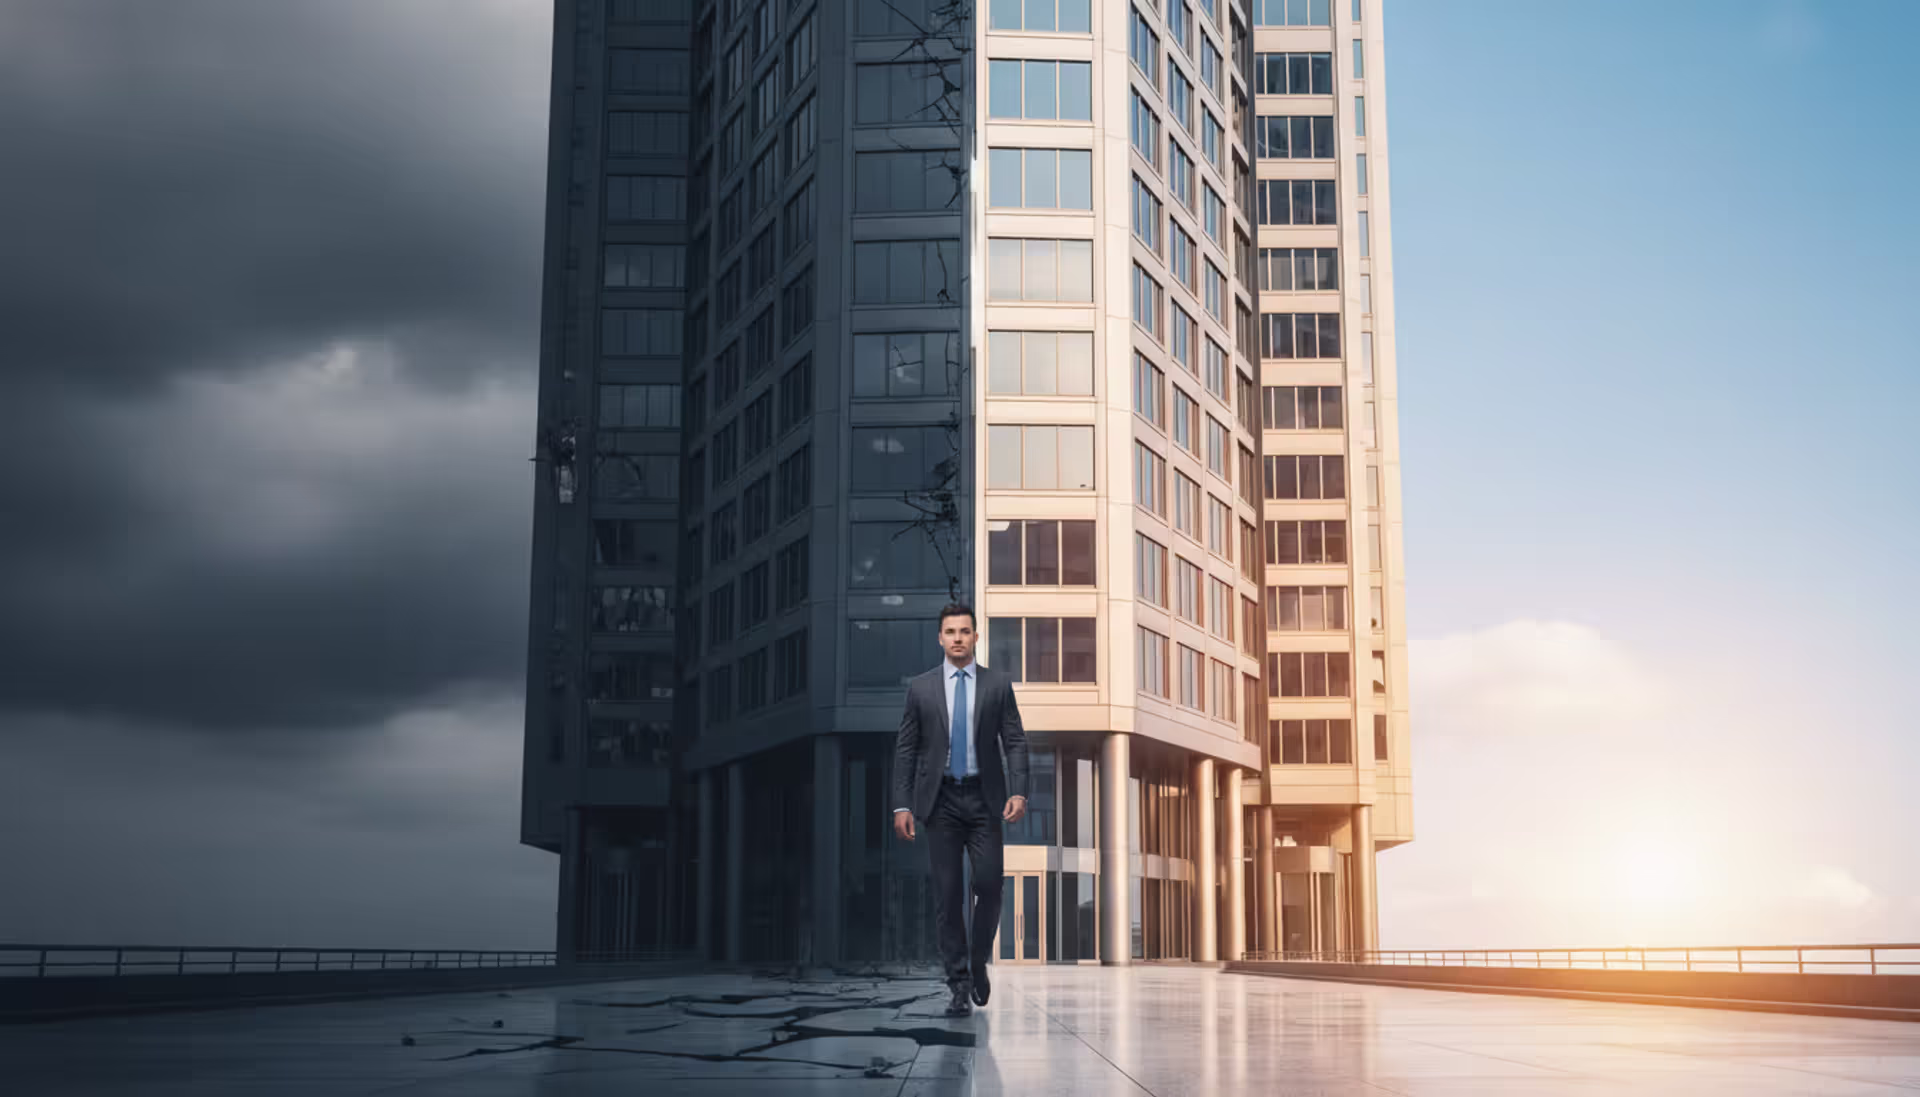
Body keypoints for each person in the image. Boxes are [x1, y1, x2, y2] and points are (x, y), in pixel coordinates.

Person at [892, 603, 1029, 1016]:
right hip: (941, 802)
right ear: (940, 637)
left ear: (975, 637)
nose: (957, 638)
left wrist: (1019, 792)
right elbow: (907, 748)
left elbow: (1016, 741)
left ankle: (977, 961)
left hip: (985, 800)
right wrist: (902, 803)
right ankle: (958, 983)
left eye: (964, 631)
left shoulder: (997, 685)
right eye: (950, 631)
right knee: (948, 895)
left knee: (989, 886)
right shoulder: (921, 688)